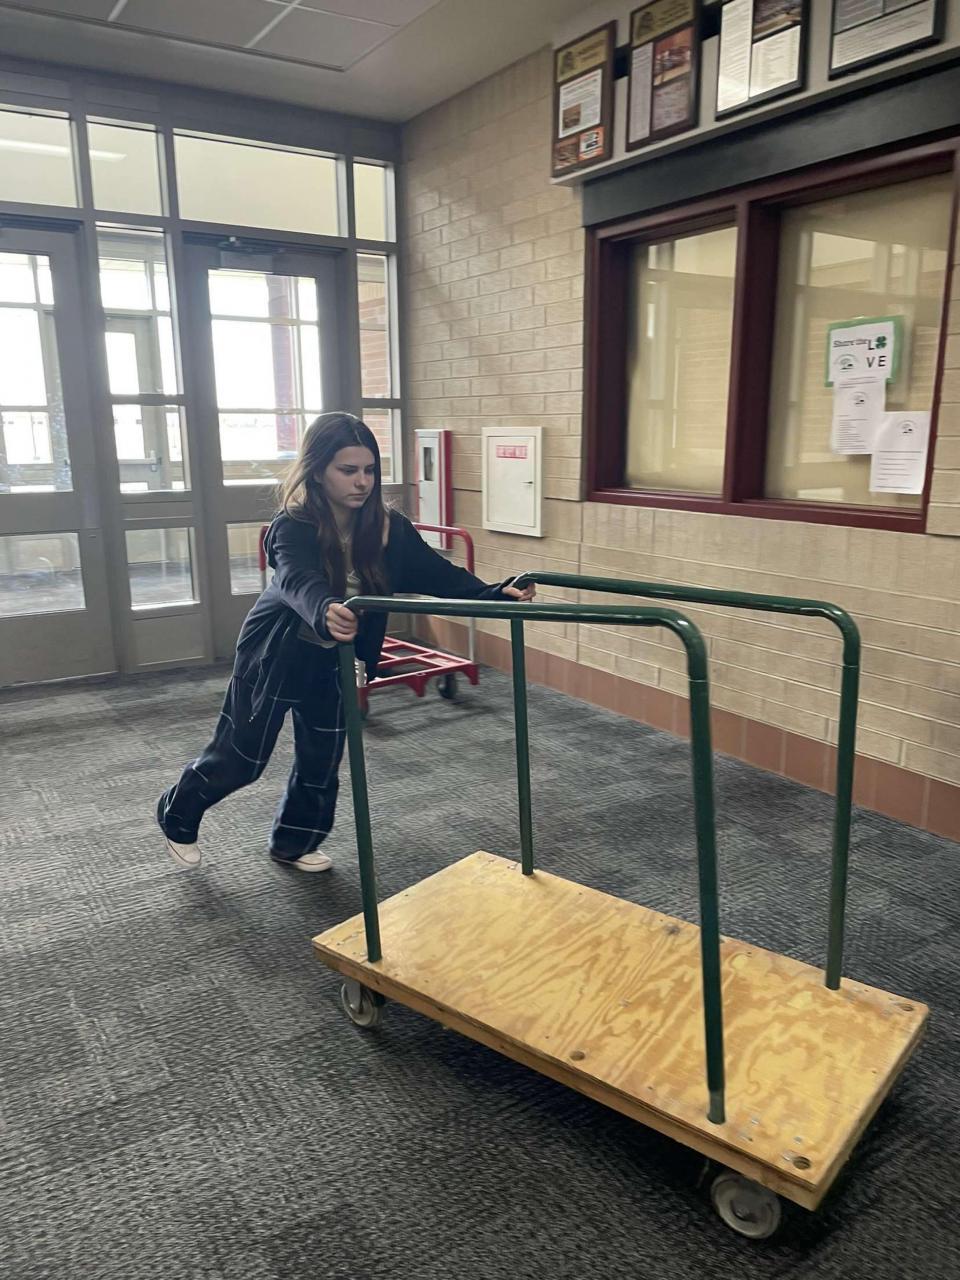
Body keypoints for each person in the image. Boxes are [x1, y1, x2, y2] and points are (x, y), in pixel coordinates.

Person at [156, 411, 535, 873]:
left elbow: (437, 574)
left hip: (335, 657)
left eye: (370, 470)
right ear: (318, 471)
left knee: (321, 759)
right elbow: (297, 579)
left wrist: (495, 592)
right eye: (348, 470)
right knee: (242, 758)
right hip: (277, 652)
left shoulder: (389, 528)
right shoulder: (293, 524)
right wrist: (325, 609)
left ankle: (294, 842)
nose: (362, 482)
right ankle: (177, 811)